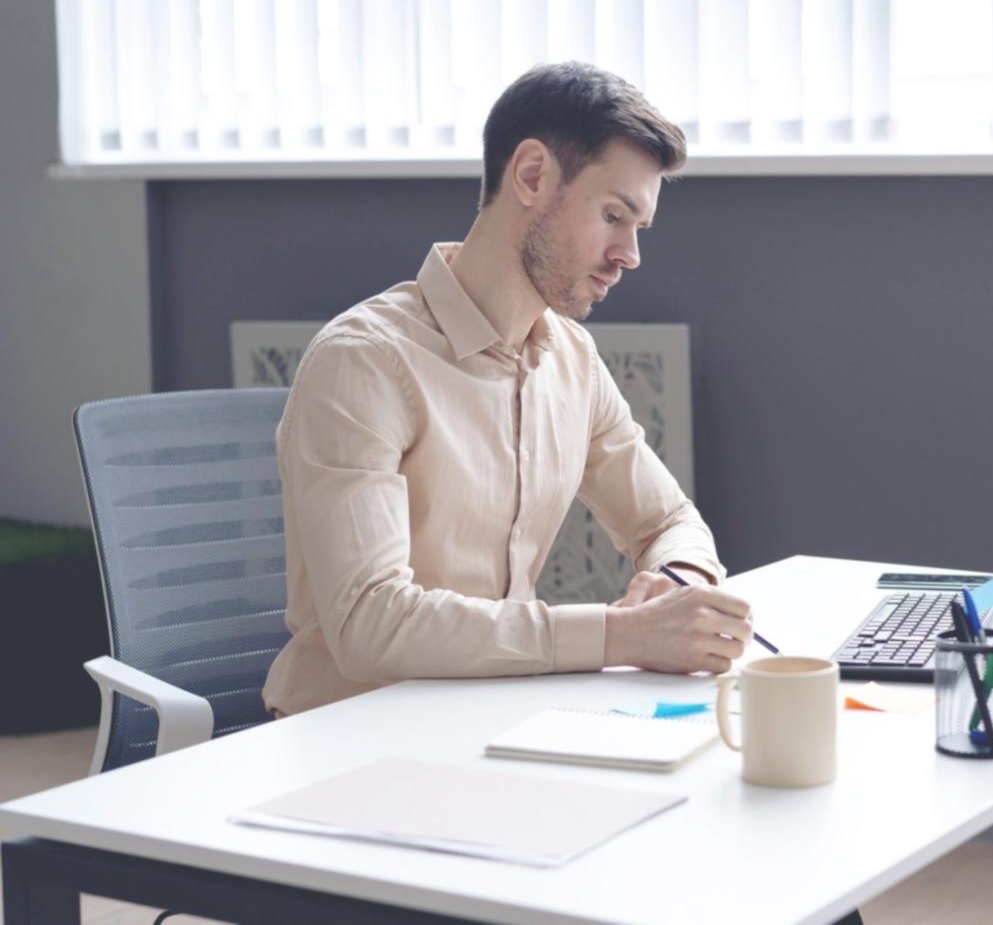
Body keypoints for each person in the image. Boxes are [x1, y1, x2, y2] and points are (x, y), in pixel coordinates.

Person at [263, 62, 752, 717]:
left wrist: (677, 586)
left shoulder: (571, 359)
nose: (630, 253)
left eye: (639, 227)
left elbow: (667, 520)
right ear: (531, 175)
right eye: (613, 215)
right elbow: (369, 623)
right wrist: (619, 635)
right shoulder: (365, 362)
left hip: (495, 719)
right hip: (350, 737)